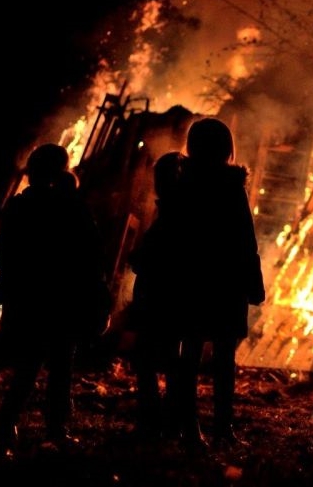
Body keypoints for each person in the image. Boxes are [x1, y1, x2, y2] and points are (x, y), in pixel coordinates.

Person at [0, 143, 108, 457]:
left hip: (27, 300)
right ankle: (55, 430)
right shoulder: (71, 207)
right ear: (61, 172)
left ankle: (7, 425)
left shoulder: (18, 207)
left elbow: (2, 254)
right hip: (60, 301)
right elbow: (92, 253)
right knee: (60, 367)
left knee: (29, 366)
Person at [173, 118, 265, 450]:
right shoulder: (231, 188)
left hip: (192, 281)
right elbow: (245, 240)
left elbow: (175, 236)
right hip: (226, 282)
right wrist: (252, 283)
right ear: (227, 150)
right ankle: (222, 428)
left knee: (190, 354)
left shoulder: (183, 187)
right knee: (224, 358)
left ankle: (189, 426)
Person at [127, 151, 185, 441]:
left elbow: (159, 253)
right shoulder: (176, 210)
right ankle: (168, 419)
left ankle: (155, 419)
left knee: (148, 358)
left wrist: (139, 258)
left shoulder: (175, 212)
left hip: (159, 296)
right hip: (167, 295)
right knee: (168, 357)